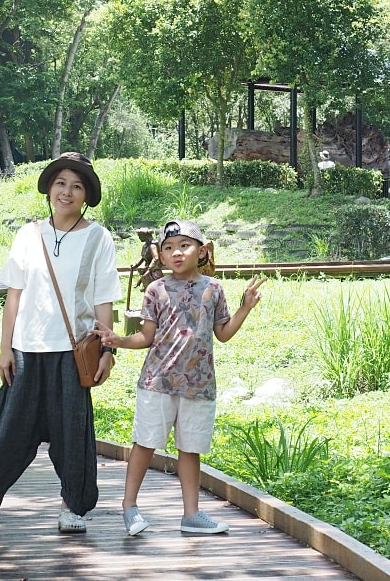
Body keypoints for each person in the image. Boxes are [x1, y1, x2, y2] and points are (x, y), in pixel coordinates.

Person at [0, 152, 122, 535]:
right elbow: (14, 297)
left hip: (73, 352)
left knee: (72, 433)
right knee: (8, 431)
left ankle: (73, 507)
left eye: (77, 186)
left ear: (87, 194)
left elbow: (103, 298)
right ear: (49, 189)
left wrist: (108, 350)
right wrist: (5, 349)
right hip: (26, 351)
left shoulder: (98, 238)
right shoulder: (28, 234)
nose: (67, 192)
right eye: (60, 183)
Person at [94, 219, 266, 536]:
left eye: (184, 246)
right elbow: (146, 337)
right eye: (169, 247)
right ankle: (129, 507)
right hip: (157, 382)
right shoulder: (156, 290)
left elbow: (223, 333)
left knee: (190, 449)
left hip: (199, 385)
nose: (176, 252)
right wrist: (119, 341)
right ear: (160, 255)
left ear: (201, 251)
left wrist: (245, 307)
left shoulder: (213, 289)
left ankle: (192, 515)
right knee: (145, 444)